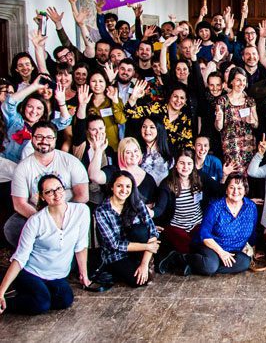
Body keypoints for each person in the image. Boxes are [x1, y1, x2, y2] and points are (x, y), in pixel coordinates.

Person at [0, 175, 90, 315]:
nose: (56, 194)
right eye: (49, 192)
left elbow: (81, 245)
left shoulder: (82, 211)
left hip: (57, 275)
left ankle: (37, 295)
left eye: (59, 188)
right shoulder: (36, 221)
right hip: (31, 272)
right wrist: (1, 291)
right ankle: (6, 303)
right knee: (41, 304)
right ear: (42, 196)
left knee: (65, 300)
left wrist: (84, 274)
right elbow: (20, 258)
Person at [4, 122, 89, 248]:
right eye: (39, 137)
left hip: (66, 212)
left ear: (55, 139)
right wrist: (44, 220)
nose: (44, 141)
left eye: (49, 137)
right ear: (32, 138)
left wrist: (61, 217)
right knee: (12, 227)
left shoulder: (71, 162)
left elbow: (83, 196)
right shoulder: (23, 167)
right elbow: (19, 204)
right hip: (36, 213)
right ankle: (37, 254)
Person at [154, 149, 223, 274]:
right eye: (182, 163)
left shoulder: (200, 178)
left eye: (189, 163)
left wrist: (244, 199)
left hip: (197, 224)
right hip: (176, 226)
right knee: (189, 247)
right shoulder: (167, 184)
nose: (185, 167)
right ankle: (178, 259)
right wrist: (150, 215)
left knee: (206, 246)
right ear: (176, 164)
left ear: (193, 165)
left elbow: (219, 190)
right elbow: (160, 208)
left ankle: (182, 261)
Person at [94, 170, 160, 287]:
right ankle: (118, 270)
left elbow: (153, 231)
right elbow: (114, 244)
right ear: (112, 187)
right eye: (119, 186)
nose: (124, 190)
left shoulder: (137, 203)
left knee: (140, 230)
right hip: (116, 254)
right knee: (138, 281)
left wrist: (144, 264)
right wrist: (147, 247)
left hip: (139, 250)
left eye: (128, 186)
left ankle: (147, 263)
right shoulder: (102, 211)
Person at [187, 172, 257, 276]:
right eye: (232, 187)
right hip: (212, 247)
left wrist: (252, 248)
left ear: (245, 190)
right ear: (226, 189)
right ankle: (184, 259)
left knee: (244, 262)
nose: (235, 191)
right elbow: (204, 234)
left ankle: (203, 267)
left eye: (239, 188)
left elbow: (253, 231)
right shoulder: (215, 207)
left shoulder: (251, 207)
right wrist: (221, 253)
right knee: (211, 265)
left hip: (234, 250)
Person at [2, 76, 72, 162]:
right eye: (30, 106)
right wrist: (34, 86)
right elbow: (9, 103)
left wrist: (61, 101)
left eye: (39, 108)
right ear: (24, 108)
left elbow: (65, 121)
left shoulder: (45, 127)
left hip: (32, 168)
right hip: (8, 164)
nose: (34, 111)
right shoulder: (15, 121)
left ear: (44, 112)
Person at [88, 137, 157, 206]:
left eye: (135, 151)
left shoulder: (149, 180)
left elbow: (150, 207)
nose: (133, 155)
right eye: (128, 152)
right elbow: (94, 176)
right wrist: (98, 151)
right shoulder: (113, 171)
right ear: (121, 154)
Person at [126, 82, 194, 153]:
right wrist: (133, 98)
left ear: (186, 100)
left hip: (169, 159)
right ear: (170, 96)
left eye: (182, 98)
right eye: (175, 96)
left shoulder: (185, 119)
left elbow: (187, 143)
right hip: (147, 154)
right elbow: (131, 113)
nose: (178, 100)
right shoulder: (156, 107)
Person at [215, 67, 258, 172]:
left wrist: (252, 121)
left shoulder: (250, 101)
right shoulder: (222, 100)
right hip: (231, 144)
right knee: (235, 174)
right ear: (231, 81)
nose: (241, 83)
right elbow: (218, 127)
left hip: (248, 143)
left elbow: (256, 124)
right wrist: (218, 119)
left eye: (244, 80)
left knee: (249, 174)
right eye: (238, 80)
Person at [137, 116, 172, 186]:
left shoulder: (169, 150)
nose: (147, 130)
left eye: (152, 127)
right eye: (144, 127)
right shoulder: (136, 151)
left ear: (159, 129)